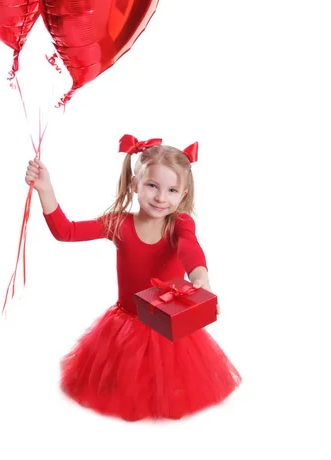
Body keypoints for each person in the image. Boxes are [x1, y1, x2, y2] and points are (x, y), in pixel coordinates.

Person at [25, 134, 242, 420]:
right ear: (134, 184)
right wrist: (45, 189)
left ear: (184, 194)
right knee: (123, 378)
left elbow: (191, 250)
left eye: (172, 190)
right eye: (152, 185)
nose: (161, 197)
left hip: (168, 324)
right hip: (126, 322)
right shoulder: (119, 223)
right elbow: (66, 231)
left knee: (169, 375)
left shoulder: (180, 224)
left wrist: (201, 277)